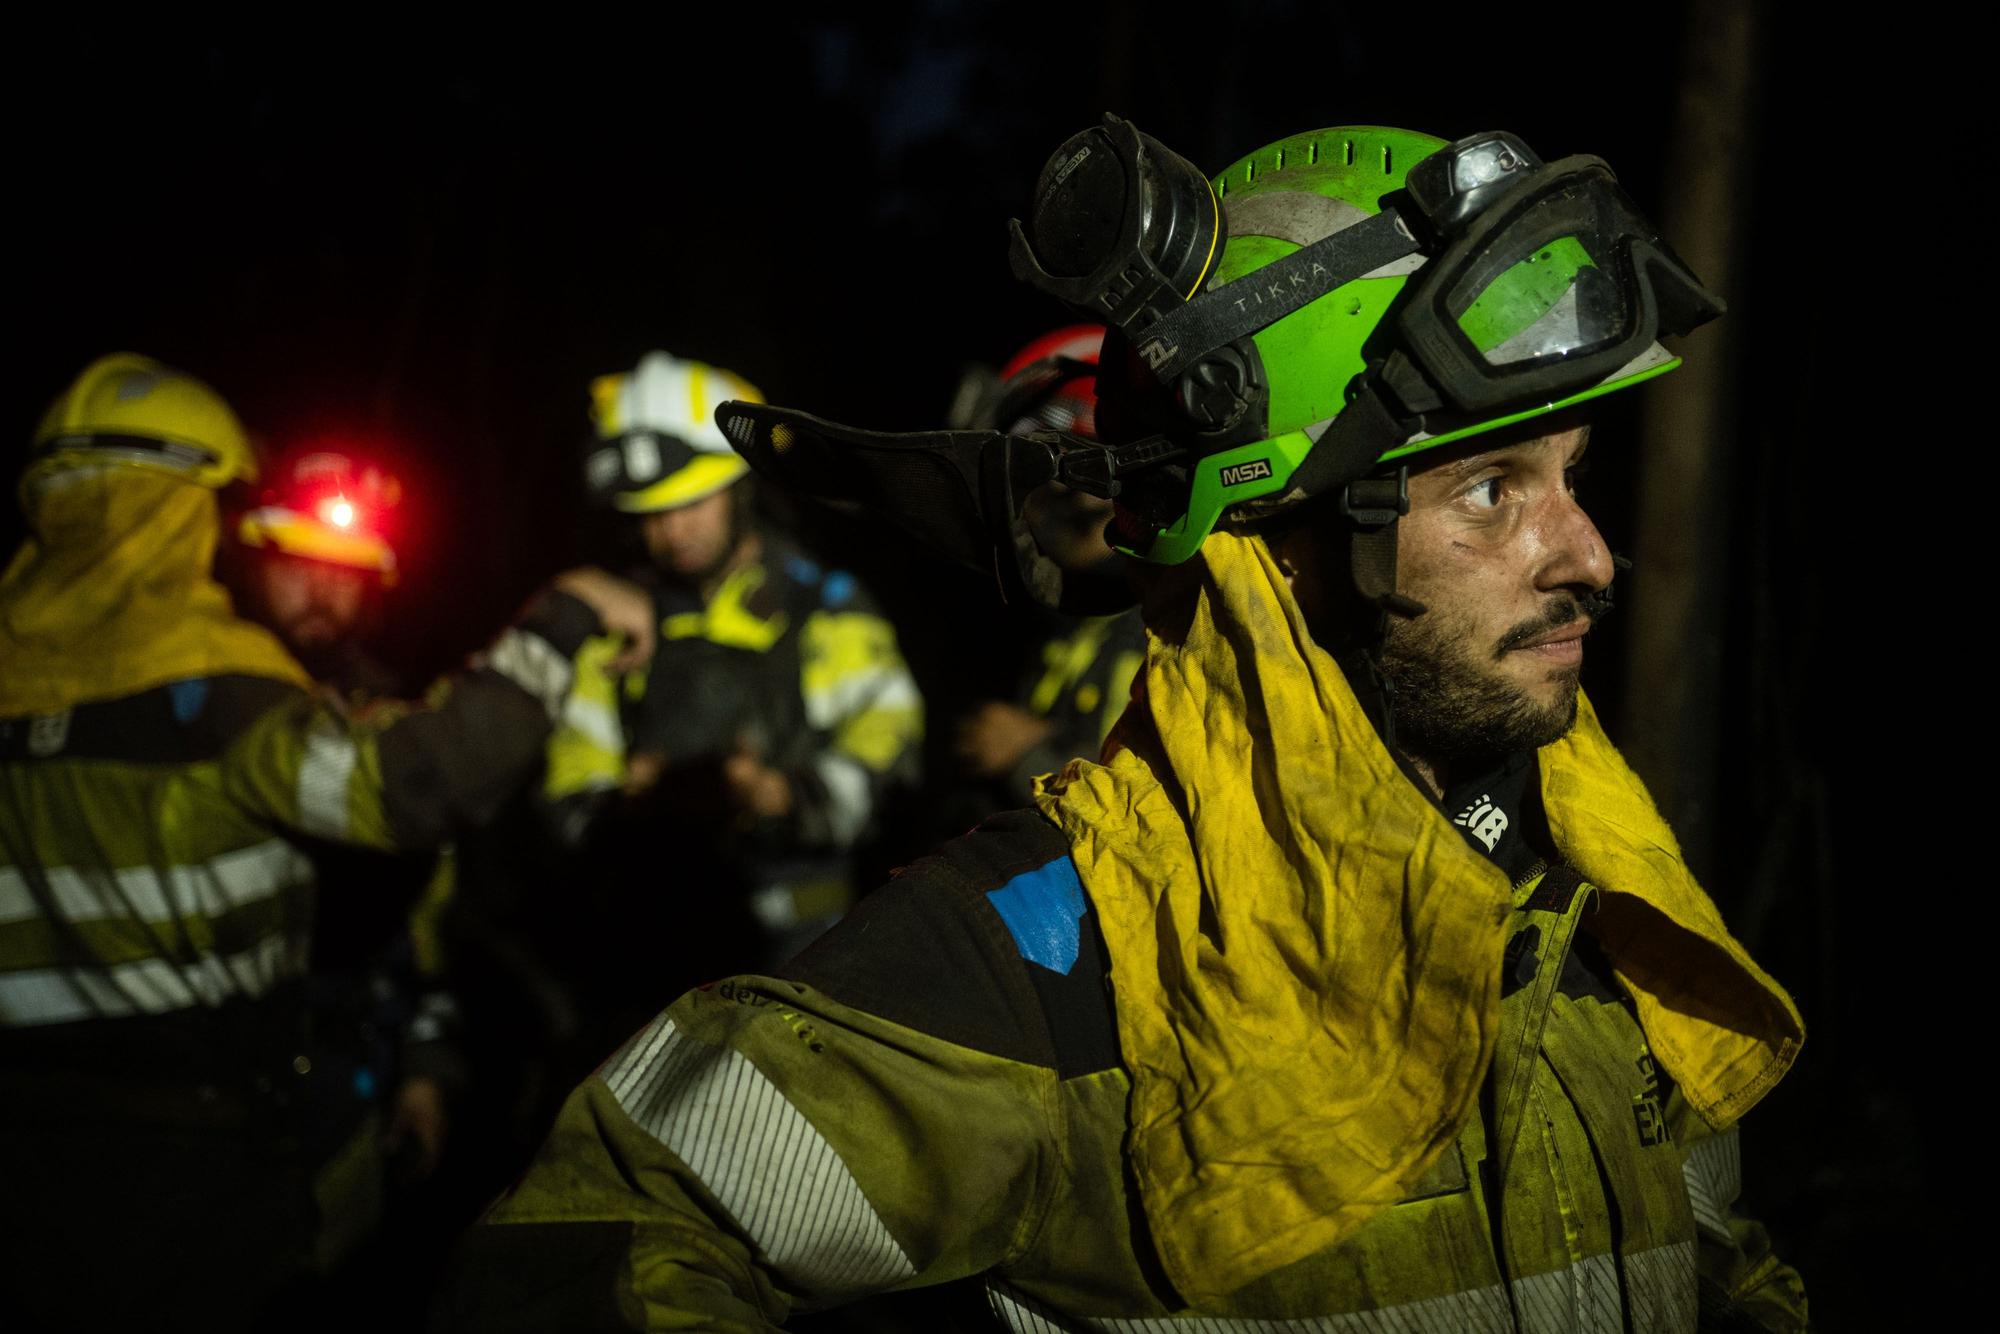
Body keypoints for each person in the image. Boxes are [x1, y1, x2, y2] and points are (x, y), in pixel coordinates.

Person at [443, 121, 1808, 1332]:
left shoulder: (1608, 890)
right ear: (1273, 536)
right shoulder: (1057, 952)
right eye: (1492, 490)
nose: (1592, 555)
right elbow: (583, 1252)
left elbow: (1717, 1270)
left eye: (1571, 475)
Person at [0, 353, 653, 1332]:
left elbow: (420, 912)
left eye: (346, 575)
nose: (321, 597)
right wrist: (560, 619)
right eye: (296, 563)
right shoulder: (231, 698)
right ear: (222, 535)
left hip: (279, 1115)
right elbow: (421, 785)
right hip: (209, 1161)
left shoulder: (327, 701)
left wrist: (428, 1063)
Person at [542, 350, 923, 970]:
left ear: (741, 485)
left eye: (693, 502)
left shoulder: (823, 607)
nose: (674, 530)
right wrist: (632, 807)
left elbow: (894, 758)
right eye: (652, 513)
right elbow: (566, 798)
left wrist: (781, 797)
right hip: (650, 953)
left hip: (812, 952)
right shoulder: (616, 627)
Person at [948, 326, 1145, 810]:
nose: (1034, 509)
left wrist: (1029, 755)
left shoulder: (1170, 621)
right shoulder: (1066, 614)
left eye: (1054, 477)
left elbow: (1169, 798)